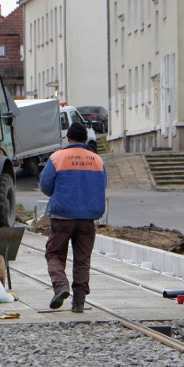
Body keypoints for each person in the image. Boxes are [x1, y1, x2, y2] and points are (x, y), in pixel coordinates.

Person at [40, 122, 107, 313]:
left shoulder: (57, 158)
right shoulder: (97, 160)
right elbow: (101, 186)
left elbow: (45, 186)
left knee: (54, 254)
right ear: (85, 139)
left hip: (62, 216)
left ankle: (61, 286)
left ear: (68, 138)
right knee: (82, 260)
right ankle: (79, 302)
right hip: (87, 218)